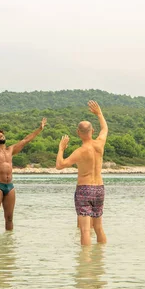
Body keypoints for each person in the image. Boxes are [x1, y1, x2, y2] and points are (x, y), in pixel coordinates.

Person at [0, 117, 47, 231]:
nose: (1, 136)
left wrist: (40, 129)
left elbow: (26, 140)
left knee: (9, 218)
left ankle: (9, 244)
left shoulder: (11, 150)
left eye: (2, 135)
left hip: (10, 186)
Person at [56, 100, 108, 245]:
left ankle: (85, 263)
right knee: (98, 227)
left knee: (85, 230)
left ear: (78, 133)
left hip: (84, 189)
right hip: (99, 189)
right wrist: (99, 113)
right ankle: (100, 259)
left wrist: (61, 148)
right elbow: (105, 129)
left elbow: (59, 165)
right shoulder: (100, 144)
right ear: (92, 131)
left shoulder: (79, 152)